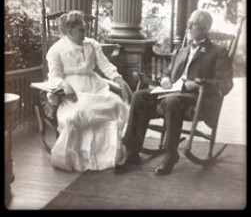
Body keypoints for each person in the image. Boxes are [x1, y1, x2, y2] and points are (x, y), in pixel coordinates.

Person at [115, 9, 233, 175]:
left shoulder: (218, 52)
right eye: (188, 24)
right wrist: (165, 79)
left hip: (196, 99)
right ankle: (132, 152)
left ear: (205, 29)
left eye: (194, 25)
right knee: (139, 96)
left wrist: (200, 84)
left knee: (172, 100)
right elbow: (169, 73)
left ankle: (171, 155)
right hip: (173, 94)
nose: (189, 27)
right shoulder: (181, 51)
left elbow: (225, 83)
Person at [46, 10, 132, 172]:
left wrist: (118, 79)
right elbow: (54, 76)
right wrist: (64, 85)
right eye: (81, 30)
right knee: (82, 112)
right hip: (73, 90)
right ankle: (83, 156)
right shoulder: (56, 49)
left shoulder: (91, 44)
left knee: (117, 104)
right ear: (69, 31)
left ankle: (111, 154)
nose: (84, 34)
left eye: (85, 29)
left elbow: (105, 65)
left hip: (95, 85)